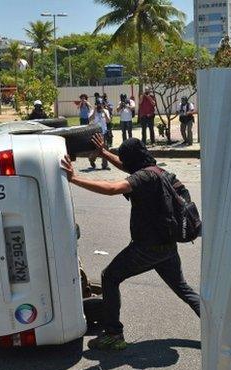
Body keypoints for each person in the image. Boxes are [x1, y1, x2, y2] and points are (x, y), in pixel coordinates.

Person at [59, 134, 201, 350]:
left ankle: (114, 334)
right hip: (168, 247)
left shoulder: (142, 179)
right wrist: (105, 152)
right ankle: (219, 328)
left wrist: (74, 178)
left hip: (146, 248)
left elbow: (113, 189)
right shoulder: (159, 172)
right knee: (183, 289)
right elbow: (129, 169)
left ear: (132, 160)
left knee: (110, 277)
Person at [88, 101, 112, 170]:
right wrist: (94, 112)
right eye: (98, 104)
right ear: (96, 104)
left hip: (104, 132)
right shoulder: (93, 111)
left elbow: (108, 121)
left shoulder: (106, 111)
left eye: (101, 104)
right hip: (96, 132)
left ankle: (105, 165)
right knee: (97, 149)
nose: (99, 105)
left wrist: (104, 113)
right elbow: (90, 119)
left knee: (105, 148)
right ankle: (91, 159)